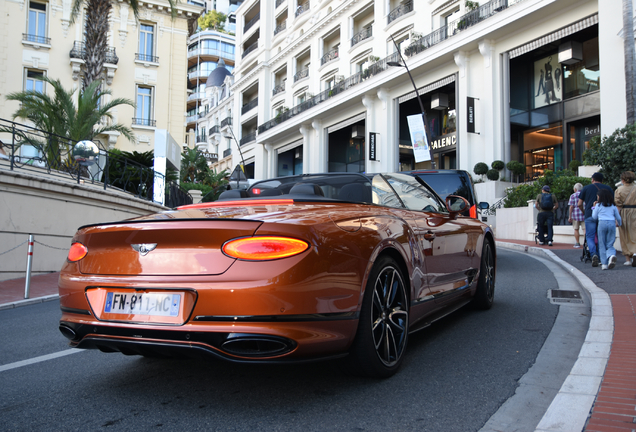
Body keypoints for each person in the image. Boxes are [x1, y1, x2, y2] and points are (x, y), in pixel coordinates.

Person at [578, 172, 613, 266]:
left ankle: (593, 254)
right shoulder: (608, 188)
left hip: (590, 215)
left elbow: (579, 204)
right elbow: (613, 202)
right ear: (602, 180)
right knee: (602, 236)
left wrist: (584, 211)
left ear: (592, 179)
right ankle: (602, 256)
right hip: (604, 216)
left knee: (590, 236)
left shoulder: (586, 188)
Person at [591, 189, 622, 270]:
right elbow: (618, 217)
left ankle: (604, 264)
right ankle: (611, 255)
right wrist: (620, 224)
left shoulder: (598, 206)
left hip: (602, 223)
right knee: (610, 243)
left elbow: (594, 217)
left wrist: (594, 207)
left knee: (602, 244)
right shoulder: (613, 206)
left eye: (598, 197)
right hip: (611, 223)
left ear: (600, 197)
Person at [614, 171, 636, 266]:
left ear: (623, 180)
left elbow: (618, 206)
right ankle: (635, 253)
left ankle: (628, 259)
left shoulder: (619, 190)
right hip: (635, 212)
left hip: (624, 213)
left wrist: (616, 219)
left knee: (624, 235)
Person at [568, 183, 584, 248]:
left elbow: (571, 206)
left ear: (575, 189)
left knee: (576, 229)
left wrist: (570, 216)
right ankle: (587, 243)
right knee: (585, 229)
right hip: (584, 213)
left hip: (575, 215)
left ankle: (577, 243)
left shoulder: (573, 195)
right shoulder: (584, 195)